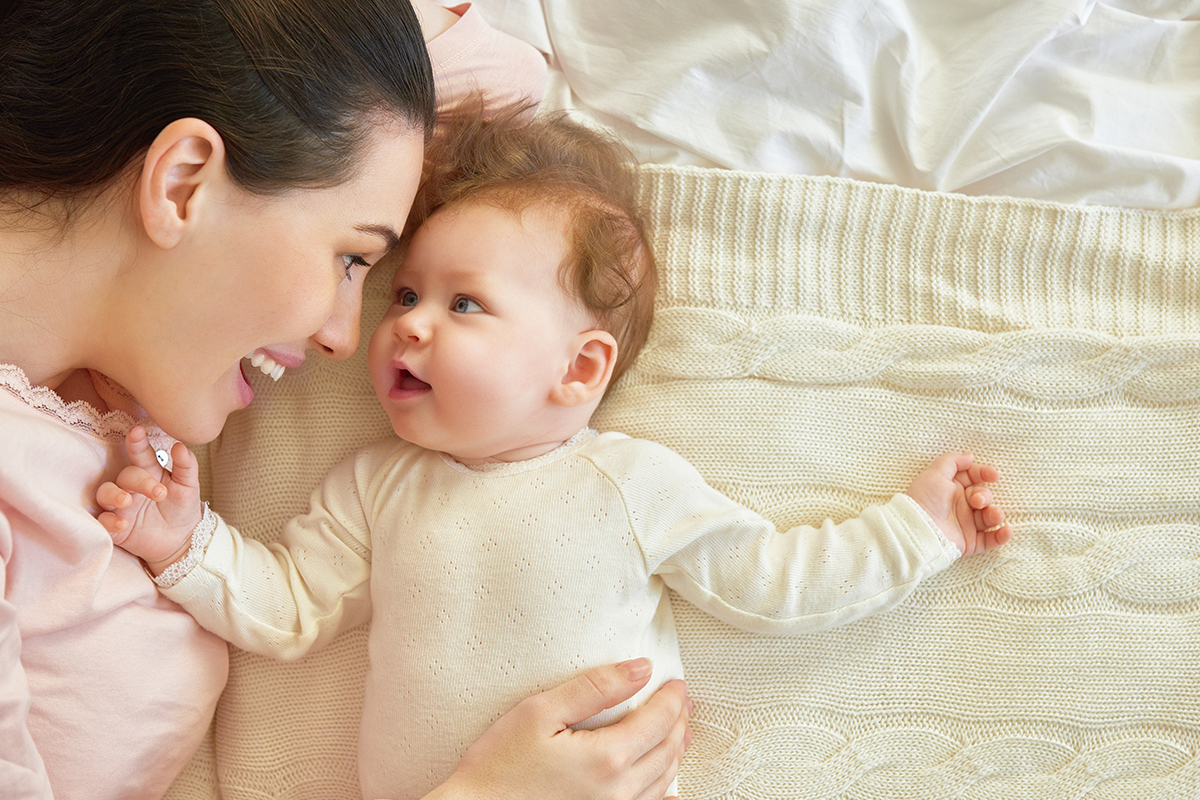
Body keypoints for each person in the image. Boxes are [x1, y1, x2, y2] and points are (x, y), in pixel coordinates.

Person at [96, 107, 1015, 799]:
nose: (406, 323)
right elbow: (288, 606)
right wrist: (184, 543)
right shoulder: (375, 487)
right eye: (405, 293)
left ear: (577, 369)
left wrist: (917, 529)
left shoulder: (627, 485)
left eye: (464, 305)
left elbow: (773, 580)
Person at [0, 3, 690, 800]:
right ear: (184, 182)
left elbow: (504, 82)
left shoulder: (114, 355)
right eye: (353, 259)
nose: (344, 336)